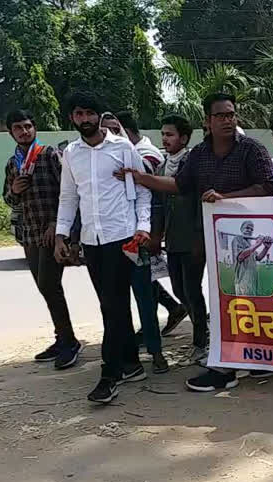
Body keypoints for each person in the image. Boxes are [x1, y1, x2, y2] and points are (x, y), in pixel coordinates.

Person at [116, 92, 273, 391]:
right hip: (209, 238)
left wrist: (225, 200)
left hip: (248, 239)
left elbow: (268, 186)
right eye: (221, 115)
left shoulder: (252, 150)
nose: (228, 120)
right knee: (217, 299)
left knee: (245, 300)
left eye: (231, 114)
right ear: (207, 121)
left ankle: (240, 364)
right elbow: (179, 185)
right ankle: (229, 361)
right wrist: (140, 178)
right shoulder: (200, 155)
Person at [55, 91, 152, 404]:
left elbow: (142, 189)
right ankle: (132, 364)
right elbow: (69, 197)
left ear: (99, 115)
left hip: (122, 237)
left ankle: (109, 376)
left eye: (89, 113)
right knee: (113, 305)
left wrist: (143, 227)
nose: (84, 119)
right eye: (78, 114)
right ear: (72, 117)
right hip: (91, 241)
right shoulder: (71, 153)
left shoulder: (123, 147)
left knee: (111, 305)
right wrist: (61, 235)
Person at [2, 109, 81, 369]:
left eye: (27, 126)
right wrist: (14, 190)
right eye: (18, 128)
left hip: (51, 233)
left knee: (50, 285)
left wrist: (57, 224)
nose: (24, 131)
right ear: (10, 132)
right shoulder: (13, 164)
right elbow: (8, 199)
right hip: (29, 234)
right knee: (44, 288)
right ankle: (62, 338)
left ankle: (69, 342)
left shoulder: (49, 155)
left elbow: (69, 192)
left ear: (34, 128)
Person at [99, 112, 167, 374]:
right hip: (105, 241)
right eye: (107, 130)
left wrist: (147, 231)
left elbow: (147, 196)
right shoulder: (92, 159)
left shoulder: (134, 156)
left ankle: (156, 351)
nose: (111, 134)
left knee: (145, 297)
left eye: (116, 129)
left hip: (134, 240)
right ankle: (122, 355)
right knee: (113, 301)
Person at [111, 111, 189, 337]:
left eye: (115, 131)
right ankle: (164, 317)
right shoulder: (165, 161)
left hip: (181, 233)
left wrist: (151, 229)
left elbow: (164, 191)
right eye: (163, 134)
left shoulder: (147, 155)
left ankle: (197, 335)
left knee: (185, 288)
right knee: (160, 281)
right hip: (151, 230)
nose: (165, 139)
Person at [156, 114, 211, 367]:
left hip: (193, 238)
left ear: (184, 138)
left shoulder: (193, 163)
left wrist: (200, 236)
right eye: (163, 134)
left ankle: (201, 340)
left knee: (191, 288)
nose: (165, 139)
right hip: (174, 239)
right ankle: (203, 326)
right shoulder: (162, 166)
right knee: (178, 289)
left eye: (170, 134)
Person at [231, 221, 273, 296]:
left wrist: (266, 247)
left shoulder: (250, 244)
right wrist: (257, 244)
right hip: (242, 280)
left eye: (251, 229)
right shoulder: (237, 239)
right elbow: (241, 256)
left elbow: (258, 258)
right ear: (241, 229)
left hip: (252, 278)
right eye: (247, 228)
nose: (249, 230)